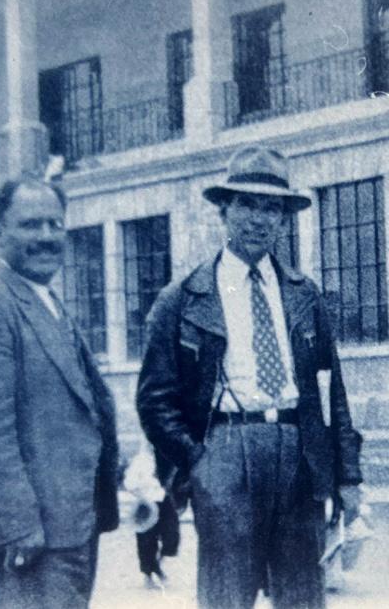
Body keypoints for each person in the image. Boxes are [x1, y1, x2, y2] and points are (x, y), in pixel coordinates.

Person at [136, 145, 363, 609]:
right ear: (224, 209)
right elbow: (154, 400)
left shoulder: (304, 295)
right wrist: (198, 460)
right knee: (227, 596)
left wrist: (348, 476)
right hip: (224, 447)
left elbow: (331, 391)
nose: (259, 219)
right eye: (247, 204)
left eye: (272, 208)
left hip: (298, 448)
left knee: (302, 595)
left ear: (284, 219)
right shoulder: (183, 298)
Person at [0, 177, 119, 609]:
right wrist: (18, 528)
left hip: (69, 523)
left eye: (55, 224)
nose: (46, 236)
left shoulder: (45, 300)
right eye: (30, 224)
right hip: (30, 534)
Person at [123, 440, 180, 591]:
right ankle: (149, 576)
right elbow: (129, 483)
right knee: (147, 541)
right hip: (147, 503)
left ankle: (157, 566)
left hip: (164, 501)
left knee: (172, 536)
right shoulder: (140, 461)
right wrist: (142, 495)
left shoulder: (166, 458)